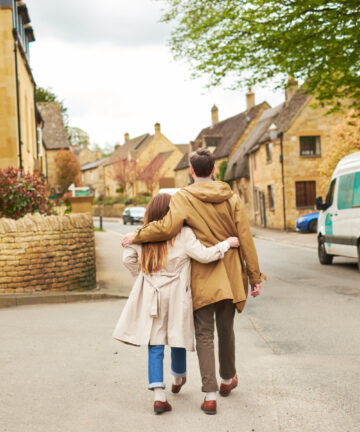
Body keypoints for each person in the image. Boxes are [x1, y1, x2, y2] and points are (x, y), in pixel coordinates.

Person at [121, 148, 265, 415]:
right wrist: (254, 277)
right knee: (226, 329)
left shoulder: (184, 198)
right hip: (231, 274)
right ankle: (226, 379)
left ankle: (210, 395)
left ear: (191, 170)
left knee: (204, 335)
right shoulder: (231, 197)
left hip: (202, 275)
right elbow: (245, 238)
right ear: (214, 170)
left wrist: (137, 235)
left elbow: (166, 228)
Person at [113, 193, 240, 414]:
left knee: (155, 342)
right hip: (178, 294)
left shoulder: (140, 236)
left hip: (153, 293)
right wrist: (225, 244)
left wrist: (144, 275)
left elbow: (128, 260)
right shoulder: (183, 234)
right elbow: (204, 255)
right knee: (176, 335)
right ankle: (178, 376)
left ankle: (159, 396)